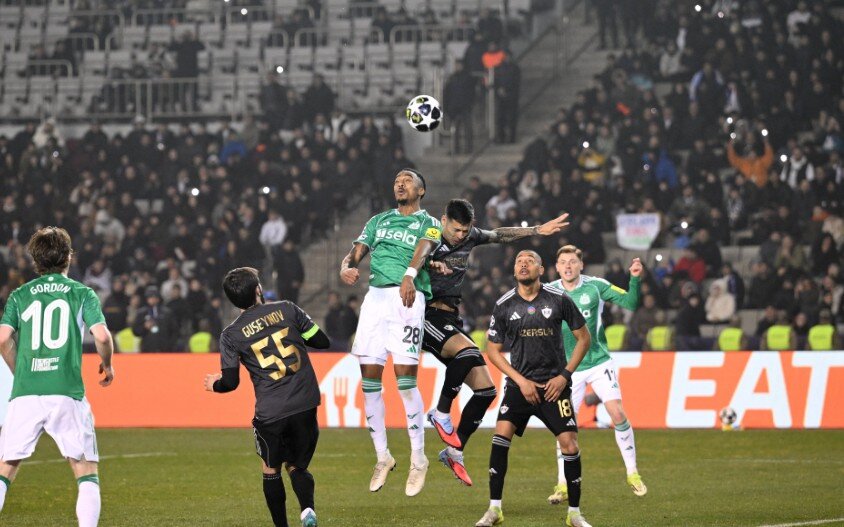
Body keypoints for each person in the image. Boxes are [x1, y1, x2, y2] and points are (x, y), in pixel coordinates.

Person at [424, 199, 570, 485]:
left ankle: (454, 451)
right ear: (443, 221)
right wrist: (430, 262)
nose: (461, 236)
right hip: (426, 313)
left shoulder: (469, 236)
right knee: (468, 353)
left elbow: (499, 235)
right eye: (456, 230)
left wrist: (536, 230)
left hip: (451, 316)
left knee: (486, 390)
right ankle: (440, 412)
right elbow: (410, 260)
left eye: (465, 230)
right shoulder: (428, 237)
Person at [0, 227, 115, 527]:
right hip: (66, 391)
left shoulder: (19, 295)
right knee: (85, 472)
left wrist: (20, 371)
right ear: (68, 257)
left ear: (35, 260)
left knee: (5, 469)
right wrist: (108, 365)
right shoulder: (82, 293)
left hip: (25, 392)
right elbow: (102, 336)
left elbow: (2, 338)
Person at [339, 169, 442, 496]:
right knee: (369, 382)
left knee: (405, 381)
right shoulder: (378, 220)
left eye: (407, 180)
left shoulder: (430, 222)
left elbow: (424, 248)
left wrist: (409, 276)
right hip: (375, 301)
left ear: (421, 190)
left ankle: (418, 458)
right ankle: (383, 456)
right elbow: (357, 251)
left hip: (406, 299)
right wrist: (346, 266)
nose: (400, 183)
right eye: (397, 180)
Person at [203, 267, 330, 527]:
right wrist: (297, 332)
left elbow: (230, 382)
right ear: (258, 290)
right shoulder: (287, 309)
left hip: (271, 412)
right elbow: (321, 341)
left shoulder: (231, 335)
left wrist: (214, 385)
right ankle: (307, 510)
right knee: (296, 466)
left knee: (271, 468)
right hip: (305, 402)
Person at [476, 250, 592, 527]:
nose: (523, 264)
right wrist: (521, 381)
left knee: (570, 444)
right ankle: (494, 510)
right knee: (500, 437)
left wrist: (564, 376)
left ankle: (575, 514)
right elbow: (492, 350)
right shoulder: (504, 304)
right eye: (519, 261)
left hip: (554, 387)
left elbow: (584, 338)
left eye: (530, 261)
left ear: (541, 270)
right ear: (514, 270)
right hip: (520, 387)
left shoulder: (559, 299)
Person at [546, 245, 647, 504]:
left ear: (581, 265)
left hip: (599, 362)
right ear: (557, 267)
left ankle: (633, 473)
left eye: (572, 261)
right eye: (563, 262)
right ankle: (562, 484)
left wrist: (634, 278)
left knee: (617, 413)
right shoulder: (548, 292)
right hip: (568, 370)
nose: (568, 266)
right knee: (565, 428)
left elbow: (630, 302)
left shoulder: (596, 286)